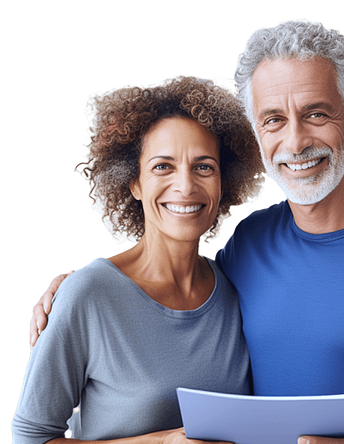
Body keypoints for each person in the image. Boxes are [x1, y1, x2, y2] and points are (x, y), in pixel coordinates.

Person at [28, 15, 344, 444]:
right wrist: (80, 283)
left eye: (316, 114)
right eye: (274, 119)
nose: (296, 141)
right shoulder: (248, 245)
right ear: (257, 133)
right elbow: (164, 289)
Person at [12, 75, 265, 443]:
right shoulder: (87, 294)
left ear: (224, 182)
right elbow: (29, 437)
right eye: (163, 166)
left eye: (204, 166)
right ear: (135, 182)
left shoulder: (234, 288)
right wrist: (161, 442)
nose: (185, 185)